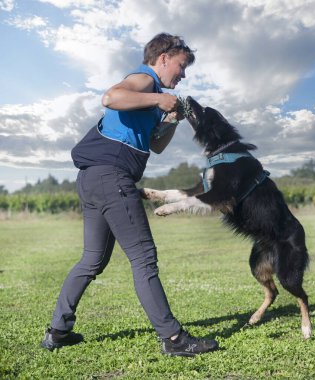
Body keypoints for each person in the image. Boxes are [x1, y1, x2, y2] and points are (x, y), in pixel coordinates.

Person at [41, 33, 218, 357]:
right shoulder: (144, 79)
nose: (183, 74)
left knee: (92, 260)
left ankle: (57, 331)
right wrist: (157, 100)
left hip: (94, 179)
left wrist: (172, 120)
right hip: (111, 177)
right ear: (163, 58)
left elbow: (155, 145)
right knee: (143, 257)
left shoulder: (152, 95)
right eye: (181, 66)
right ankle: (174, 339)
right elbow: (110, 97)